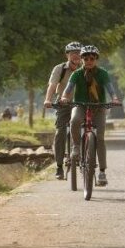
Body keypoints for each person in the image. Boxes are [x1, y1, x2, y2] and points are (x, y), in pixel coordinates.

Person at [60, 45, 120, 186]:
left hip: (98, 107)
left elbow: (110, 88)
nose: (89, 61)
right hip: (80, 105)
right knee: (74, 120)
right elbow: (68, 88)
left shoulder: (102, 73)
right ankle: (76, 147)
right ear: (81, 60)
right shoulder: (76, 74)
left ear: (96, 59)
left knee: (100, 138)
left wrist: (115, 98)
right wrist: (64, 97)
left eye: (92, 58)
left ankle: (102, 172)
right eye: (85, 58)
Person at [43, 41, 83, 180]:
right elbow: (53, 85)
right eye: (73, 54)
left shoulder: (86, 68)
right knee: (60, 132)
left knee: (86, 127)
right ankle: (59, 166)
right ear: (67, 55)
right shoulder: (60, 69)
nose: (76, 56)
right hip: (63, 104)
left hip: (81, 104)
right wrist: (48, 99)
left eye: (78, 53)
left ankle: (84, 154)